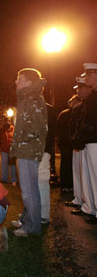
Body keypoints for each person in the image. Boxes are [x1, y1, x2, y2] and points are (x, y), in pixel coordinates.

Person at [10, 68, 48, 237]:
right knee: (27, 188)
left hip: (28, 150)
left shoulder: (34, 100)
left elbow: (38, 127)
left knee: (29, 190)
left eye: (19, 79)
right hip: (25, 149)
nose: (16, 82)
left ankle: (32, 226)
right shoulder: (27, 98)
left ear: (29, 82)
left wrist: (20, 139)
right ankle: (26, 219)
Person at [66, 76, 93, 214]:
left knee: (90, 176)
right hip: (82, 141)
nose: (79, 91)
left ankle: (89, 205)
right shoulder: (82, 105)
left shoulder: (89, 103)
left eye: (82, 87)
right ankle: (83, 201)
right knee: (81, 174)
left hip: (89, 141)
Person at [75, 63, 97, 224]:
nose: (87, 78)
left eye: (90, 75)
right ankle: (93, 208)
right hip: (91, 140)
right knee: (92, 176)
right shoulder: (94, 95)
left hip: (94, 140)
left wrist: (83, 135)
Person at [38, 102, 57, 224]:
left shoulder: (46, 109)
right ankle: (34, 212)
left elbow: (48, 132)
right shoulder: (44, 108)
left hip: (42, 150)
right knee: (35, 184)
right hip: (39, 149)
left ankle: (43, 215)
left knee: (42, 182)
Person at [57, 95, 81, 193]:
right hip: (66, 143)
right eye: (73, 102)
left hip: (73, 144)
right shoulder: (64, 114)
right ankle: (65, 184)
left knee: (73, 165)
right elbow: (59, 129)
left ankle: (71, 185)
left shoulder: (78, 113)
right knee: (66, 164)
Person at [0, 117, 17, 185]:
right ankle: (4, 179)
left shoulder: (13, 129)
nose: (8, 122)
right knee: (4, 165)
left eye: (9, 121)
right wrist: (1, 145)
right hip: (4, 150)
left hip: (11, 150)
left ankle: (13, 180)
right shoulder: (2, 129)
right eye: (7, 121)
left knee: (12, 165)